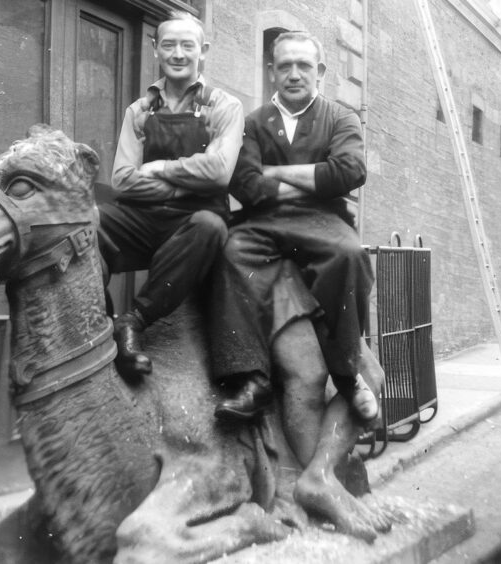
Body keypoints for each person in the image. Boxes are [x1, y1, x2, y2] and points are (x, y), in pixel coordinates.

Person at [210, 30, 380, 465]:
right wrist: (313, 181)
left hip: (323, 222)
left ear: (319, 72)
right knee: (230, 253)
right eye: (284, 65)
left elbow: (349, 171)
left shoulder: (341, 118)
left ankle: (346, 373)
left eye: (304, 65)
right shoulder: (251, 122)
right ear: (271, 71)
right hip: (264, 222)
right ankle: (250, 378)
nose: (294, 74)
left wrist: (277, 173)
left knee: (349, 255)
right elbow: (246, 185)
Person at [99, 11, 244, 380]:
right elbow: (124, 180)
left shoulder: (224, 106)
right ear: (155, 49)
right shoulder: (140, 109)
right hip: (143, 219)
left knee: (210, 226)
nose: (178, 54)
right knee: (88, 221)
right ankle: (102, 323)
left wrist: (163, 171)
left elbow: (219, 172)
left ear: (203, 51)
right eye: (168, 45)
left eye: (187, 45)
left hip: (192, 225)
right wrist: (190, 178)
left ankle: (135, 320)